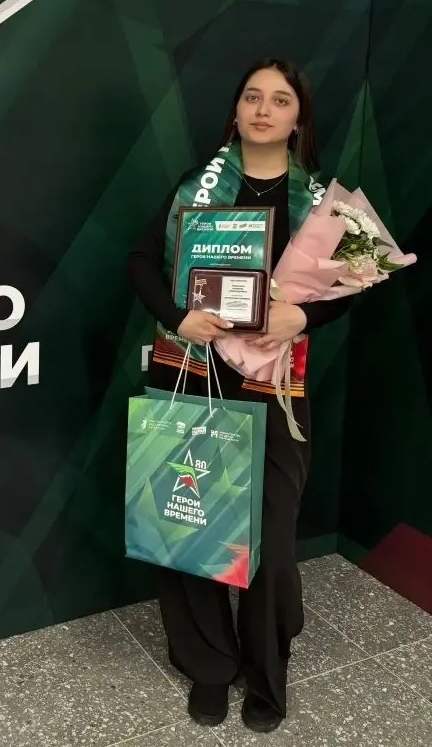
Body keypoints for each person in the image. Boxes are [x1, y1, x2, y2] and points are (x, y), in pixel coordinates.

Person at [126, 59, 351, 733]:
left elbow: (351, 284)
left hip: (273, 384)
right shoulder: (195, 188)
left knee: (271, 543)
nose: (263, 109)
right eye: (252, 96)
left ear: (298, 119)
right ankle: (209, 665)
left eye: (280, 100)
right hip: (191, 373)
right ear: (235, 111)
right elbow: (140, 261)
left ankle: (264, 666)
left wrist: (302, 315)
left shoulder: (322, 203)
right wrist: (178, 316)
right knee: (188, 523)